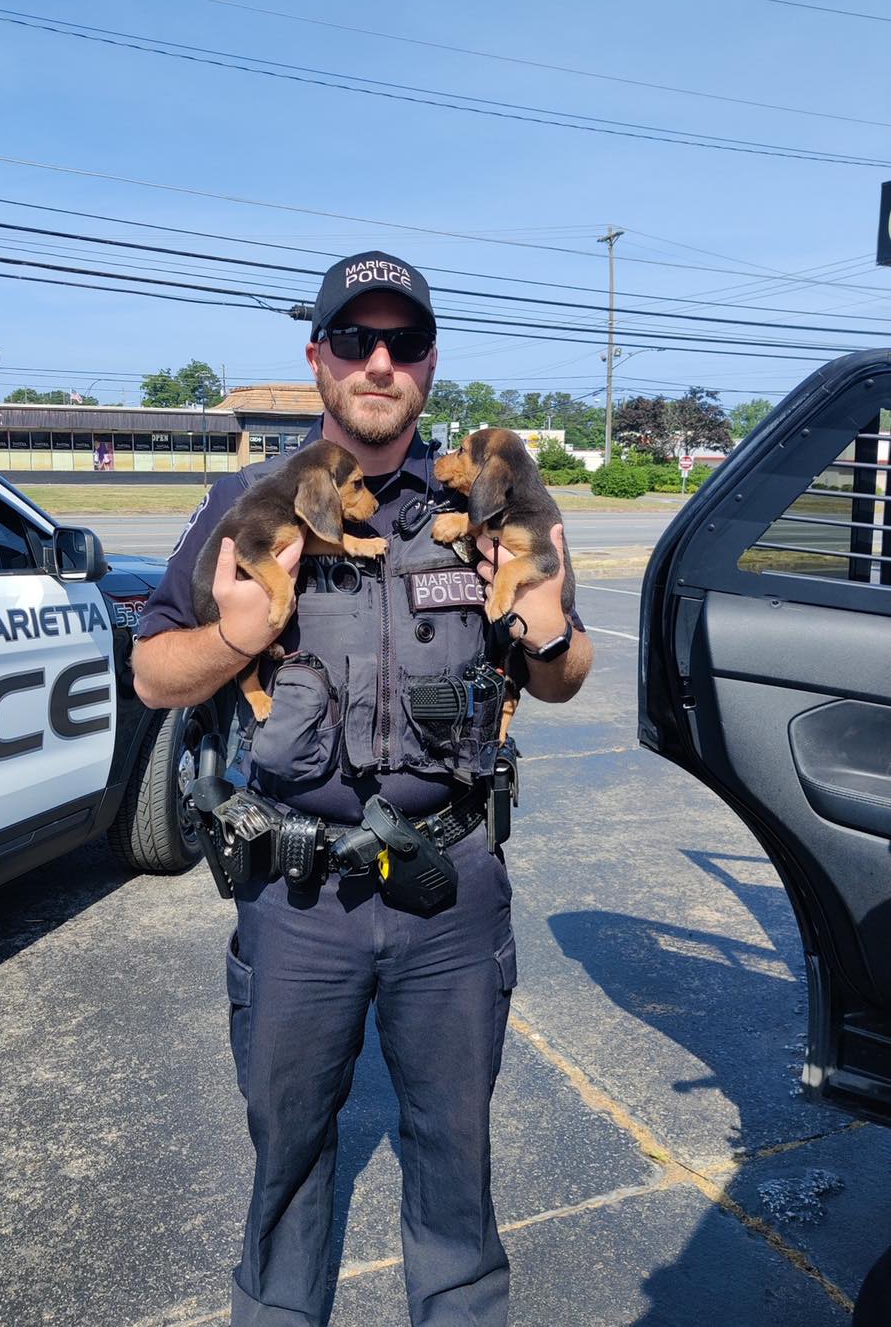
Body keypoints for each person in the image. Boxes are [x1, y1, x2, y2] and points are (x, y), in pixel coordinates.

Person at [132, 250, 593, 1325]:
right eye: (354, 339)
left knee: (453, 1156)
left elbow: (562, 677)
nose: (378, 361)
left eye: (402, 343)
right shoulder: (250, 505)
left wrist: (543, 627)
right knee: (286, 1154)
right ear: (317, 359)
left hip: (451, 892)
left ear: (428, 365)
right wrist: (234, 633)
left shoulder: (487, 499)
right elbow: (153, 672)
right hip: (299, 904)